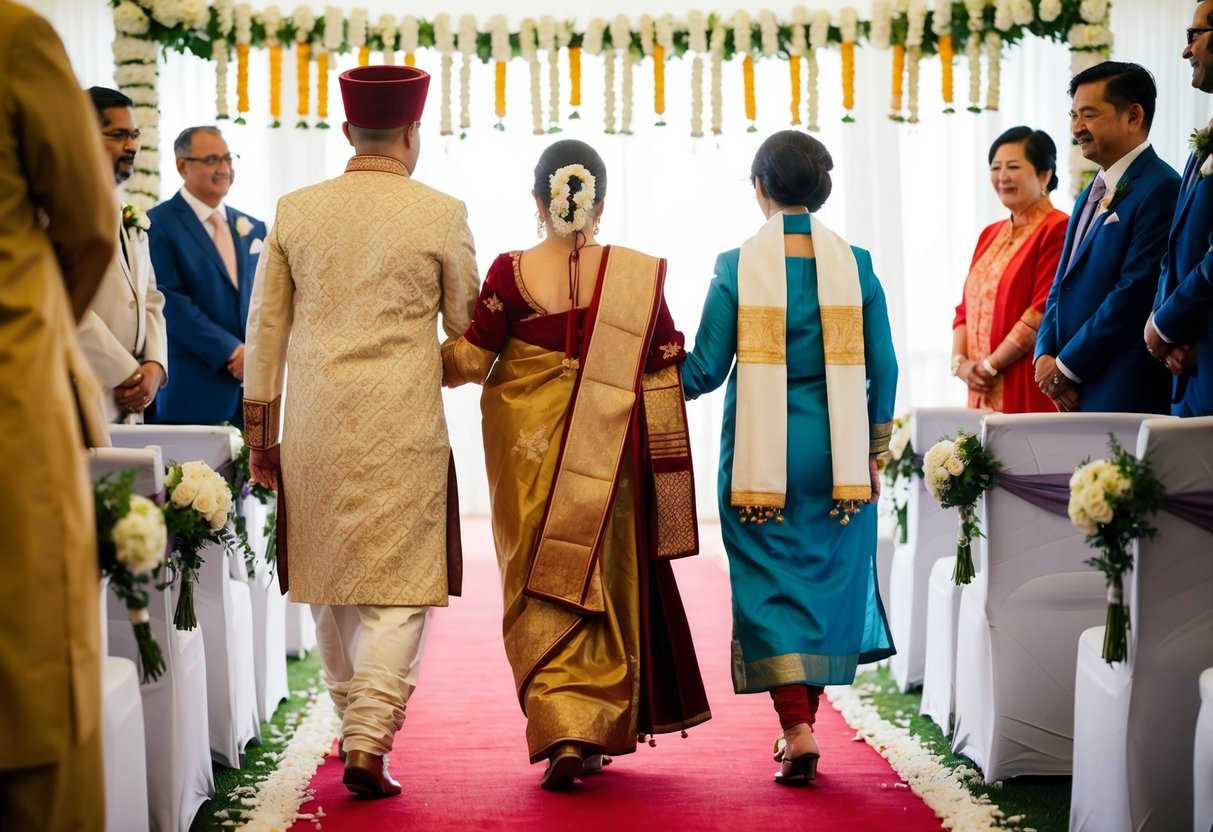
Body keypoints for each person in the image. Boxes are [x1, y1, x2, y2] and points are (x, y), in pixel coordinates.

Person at [442, 139, 710, 791]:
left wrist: (397, 352)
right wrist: (669, 492)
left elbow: (472, 360)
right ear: (601, 202)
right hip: (608, 454)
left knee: (537, 572)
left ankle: (557, 723)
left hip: (525, 456)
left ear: (538, 202)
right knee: (602, 573)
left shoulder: (508, 272)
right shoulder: (634, 276)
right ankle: (589, 729)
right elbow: (663, 367)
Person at [244, 65, 479, 798]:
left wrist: (261, 433)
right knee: (399, 585)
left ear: (348, 131)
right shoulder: (439, 212)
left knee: (331, 582)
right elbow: (469, 332)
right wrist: (438, 364)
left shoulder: (295, 210)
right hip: (402, 423)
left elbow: (265, 330)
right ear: (412, 133)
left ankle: (356, 728)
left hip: (314, 423)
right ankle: (368, 740)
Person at [681, 130, 897, 786]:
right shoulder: (855, 264)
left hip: (760, 456)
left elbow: (702, 371)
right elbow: (884, 367)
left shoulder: (736, 265)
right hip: (836, 457)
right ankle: (805, 723)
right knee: (824, 584)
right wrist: (874, 450)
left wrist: (641, 357)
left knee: (770, 584)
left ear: (760, 187)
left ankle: (795, 726)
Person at [0, 3, 117, 826]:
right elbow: (89, 225)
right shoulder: (13, 35)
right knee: (33, 682)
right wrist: (33, 346)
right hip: (11, 409)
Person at [1035, 61, 1179, 413]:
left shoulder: (1161, 186)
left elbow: (1134, 291)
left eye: (1089, 115)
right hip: (1074, 385)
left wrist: (1066, 366)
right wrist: (1044, 356)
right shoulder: (1088, 194)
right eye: (1073, 116)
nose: (1077, 128)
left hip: (1121, 385)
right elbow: (1062, 283)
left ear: (1133, 116)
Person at [148, 125, 266, 426]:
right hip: (192, 385)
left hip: (251, 389)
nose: (224, 168)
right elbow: (168, 300)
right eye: (212, 160)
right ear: (182, 166)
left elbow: (265, 297)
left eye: (228, 158)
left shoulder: (252, 226)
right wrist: (231, 351)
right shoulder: (157, 223)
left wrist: (256, 353)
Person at [951, 127, 1068, 412]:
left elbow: (1040, 313)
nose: (1002, 176)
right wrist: (961, 365)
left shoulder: (1058, 228)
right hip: (979, 387)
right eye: (995, 167)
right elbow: (965, 309)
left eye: (1013, 167)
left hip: (1023, 381)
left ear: (1045, 175)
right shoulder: (989, 234)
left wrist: (990, 365)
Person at [78, 86, 168, 423]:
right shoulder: (58, 213)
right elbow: (64, 305)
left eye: (134, 134)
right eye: (118, 135)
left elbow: (151, 298)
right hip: (83, 390)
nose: (131, 146)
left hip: (131, 399)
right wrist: (125, 371)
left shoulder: (127, 215)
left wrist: (155, 365)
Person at [1144, 2, 1213, 417]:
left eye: (1194, 35)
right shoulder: (1204, 141)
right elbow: (1175, 248)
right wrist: (1163, 324)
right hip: (1187, 366)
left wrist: (1166, 324)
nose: (1186, 51)